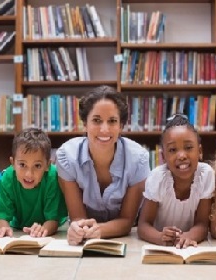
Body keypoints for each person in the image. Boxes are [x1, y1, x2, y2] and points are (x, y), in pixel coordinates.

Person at [56, 85, 150, 245]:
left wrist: (100, 231)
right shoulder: (67, 156)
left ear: (121, 126)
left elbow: (127, 221)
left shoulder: (138, 159)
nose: (104, 129)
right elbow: (78, 217)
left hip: (124, 238)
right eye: (96, 120)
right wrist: (78, 229)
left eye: (112, 121)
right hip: (87, 236)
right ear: (85, 123)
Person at [137, 115, 214, 248]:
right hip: (162, 245)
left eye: (189, 147)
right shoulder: (158, 178)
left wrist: (188, 237)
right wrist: (159, 237)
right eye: (173, 150)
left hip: (187, 245)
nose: (182, 156)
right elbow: (143, 226)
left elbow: (202, 224)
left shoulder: (206, 174)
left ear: (200, 151)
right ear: (163, 157)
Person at [0, 128, 67, 238]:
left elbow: (53, 220)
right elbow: (2, 217)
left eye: (37, 166)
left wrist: (43, 230)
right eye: (22, 165)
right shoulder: (6, 179)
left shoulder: (53, 177)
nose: (29, 174)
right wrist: (3, 229)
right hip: (18, 227)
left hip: (55, 228)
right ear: (12, 163)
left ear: (47, 166)